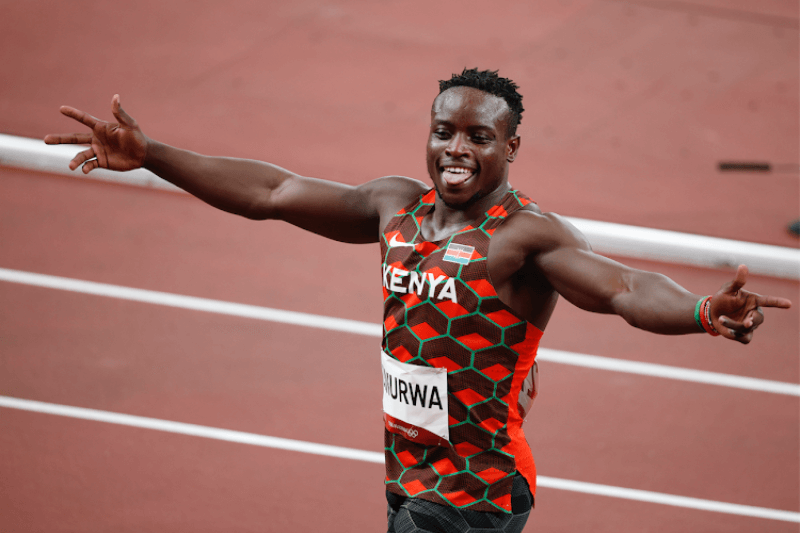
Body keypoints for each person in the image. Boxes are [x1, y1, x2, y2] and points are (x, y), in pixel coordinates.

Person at [45, 68, 792, 533]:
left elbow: (624, 287)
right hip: (407, 474)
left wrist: (701, 311)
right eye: (443, 132)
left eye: (479, 137)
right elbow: (272, 192)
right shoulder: (395, 208)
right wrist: (155, 156)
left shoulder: (524, 237)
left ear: (510, 148)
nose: (456, 149)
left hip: (477, 492)